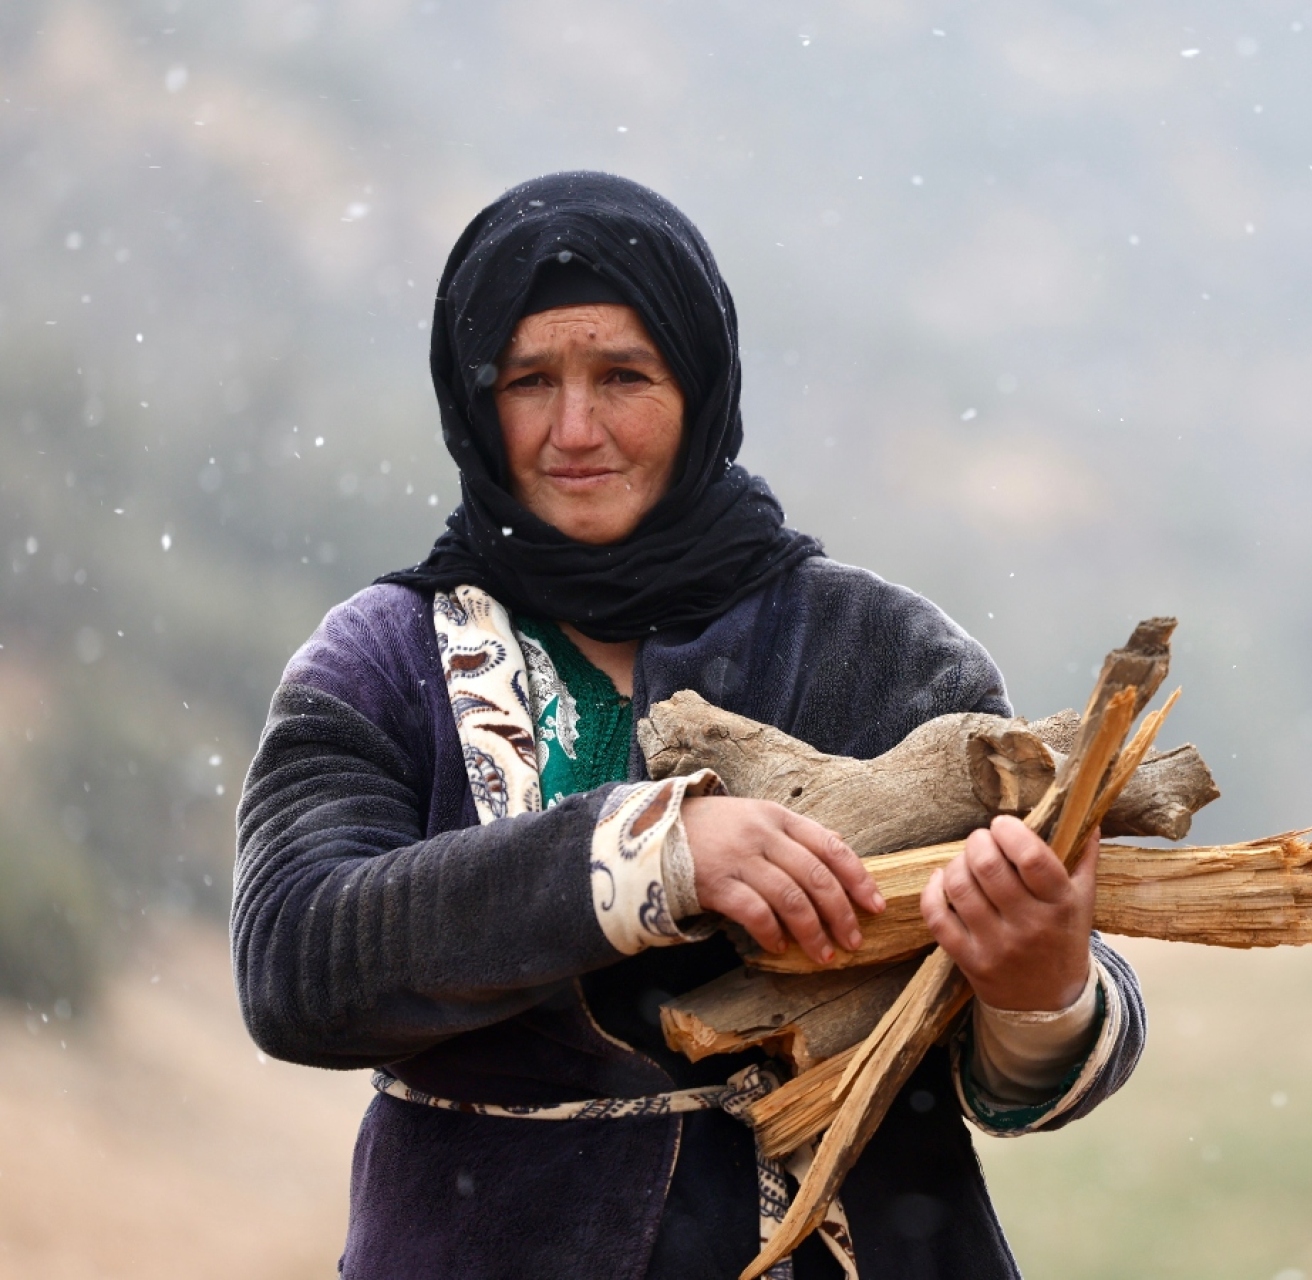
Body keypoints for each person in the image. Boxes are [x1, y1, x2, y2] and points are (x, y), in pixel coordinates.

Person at [232, 171, 1146, 1280]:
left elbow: (1035, 1056)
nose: (575, 429)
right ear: (474, 401)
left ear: (700, 382)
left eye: (625, 375)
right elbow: (294, 961)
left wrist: (1038, 990)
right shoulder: (383, 659)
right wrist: (648, 853)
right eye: (529, 380)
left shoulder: (884, 653)